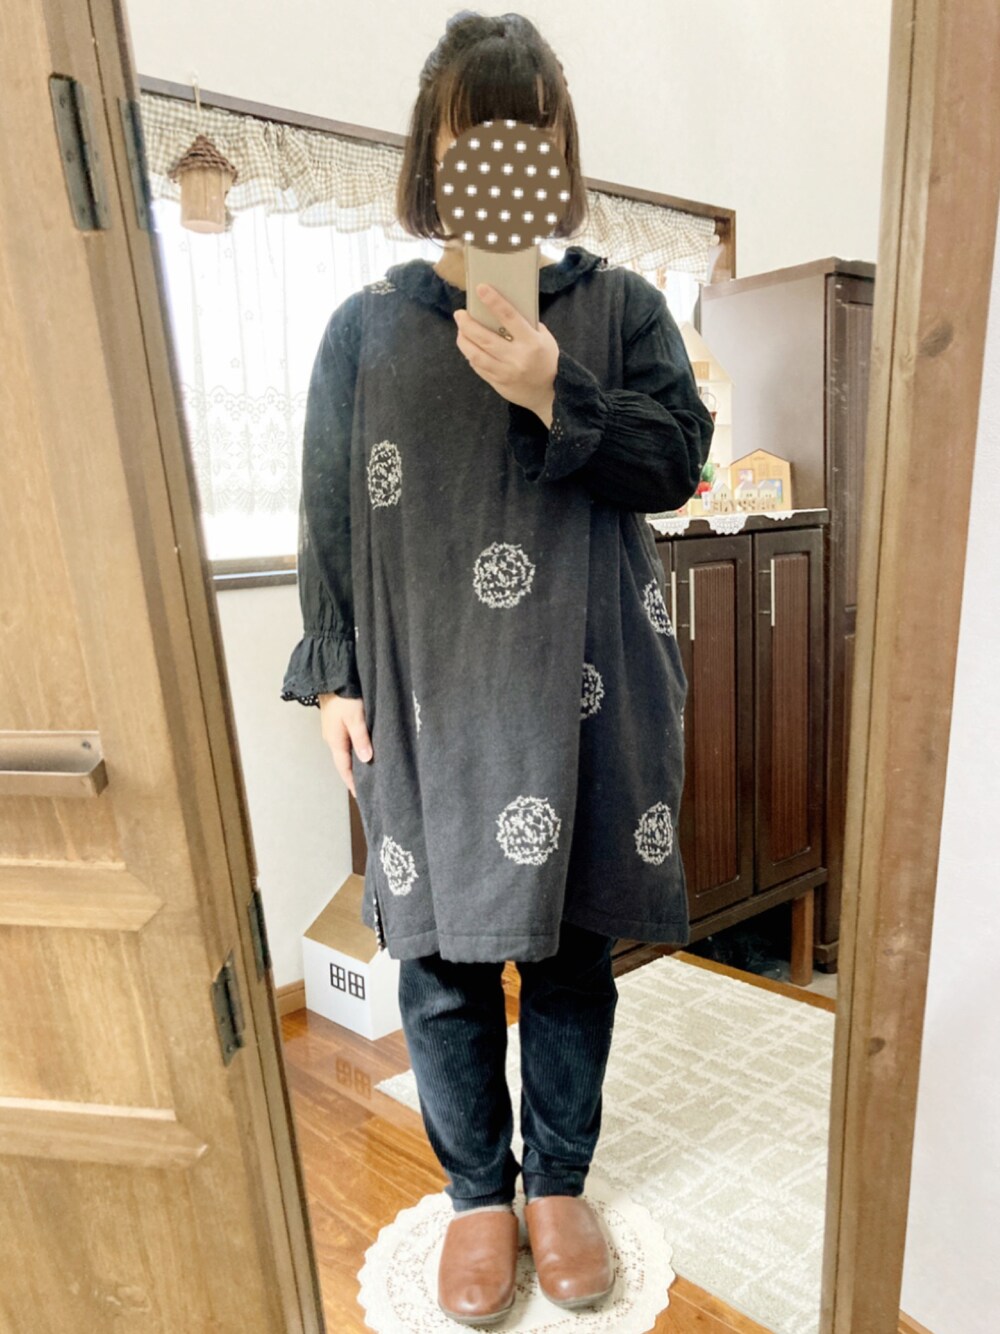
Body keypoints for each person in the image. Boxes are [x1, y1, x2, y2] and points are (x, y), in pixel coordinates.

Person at [281, 10, 715, 1326]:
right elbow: (329, 513)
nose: (502, 164)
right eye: (478, 139)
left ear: (557, 156)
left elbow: (677, 465)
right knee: (443, 959)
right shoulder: (365, 329)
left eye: (528, 139)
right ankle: (479, 1191)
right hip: (430, 693)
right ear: (435, 154)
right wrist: (334, 676)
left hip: (590, 680)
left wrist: (551, 388)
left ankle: (557, 1184)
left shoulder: (623, 308)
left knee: (575, 948)